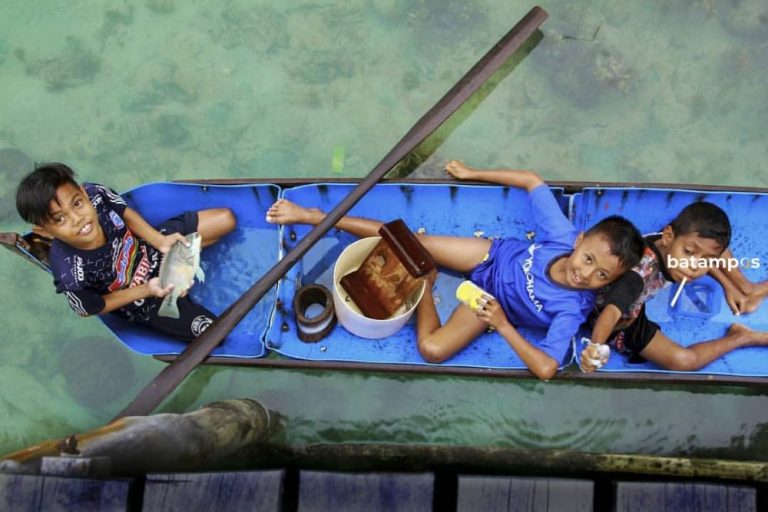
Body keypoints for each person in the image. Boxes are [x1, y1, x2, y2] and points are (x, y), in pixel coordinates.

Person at [266, 160, 644, 380]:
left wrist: (503, 324)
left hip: (492, 304)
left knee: (431, 349)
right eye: (588, 259)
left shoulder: (570, 309)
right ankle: (314, 216)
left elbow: (546, 369)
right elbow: (531, 180)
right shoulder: (562, 235)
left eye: (601, 277)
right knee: (407, 239)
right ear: (579, 242)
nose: (586, 275)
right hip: (493, 256)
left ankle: (426, 283)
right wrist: (472, 173)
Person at [15, 162, 236, 340]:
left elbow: (123, 211)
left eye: (77, 203)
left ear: (83, 193)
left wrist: (159, 241)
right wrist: (148, 290)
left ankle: (179, 266)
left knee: (225, 220)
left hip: (147, 249)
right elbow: (89, 308)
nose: (78, 219)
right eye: (60, 219)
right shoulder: (69, 273)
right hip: (140, 298)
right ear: (44, 231)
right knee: (214, 333)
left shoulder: (96, 194)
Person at [580, 201, 768, 372]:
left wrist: (728, 286)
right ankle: (741, 337)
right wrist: (595, 348)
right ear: (668, 237)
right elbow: (611, 312)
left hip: (640, 292)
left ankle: (747, 288)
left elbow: (702, 251)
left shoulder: (671, 246)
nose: (694, 266)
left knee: (711, 240)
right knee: (684, 361)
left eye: (708, 260)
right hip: (624, 320)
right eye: (688, 252)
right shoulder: (638, 276)